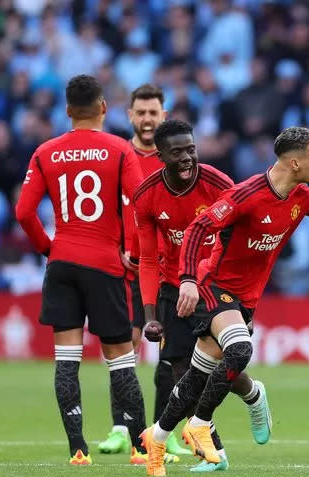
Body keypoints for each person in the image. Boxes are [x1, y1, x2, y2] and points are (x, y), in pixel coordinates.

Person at [140, 126, 309, 477]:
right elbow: (197, 229)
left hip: (247, 297)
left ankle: (156, 441)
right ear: (295, 163)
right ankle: (201, 423)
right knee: (240, 350)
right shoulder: (246, 194)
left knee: (195, 374)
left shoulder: (300, 195)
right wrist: (188, 280)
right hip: (213, 285)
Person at [15, 74, 148, 465]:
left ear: (68, 111)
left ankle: (77, 449)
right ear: (104, 108)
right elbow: (137, 208)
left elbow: (24, 212)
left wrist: (47, 247)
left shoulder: (46, 152)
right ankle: (142, 449)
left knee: (66, 359)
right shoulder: (120, 149)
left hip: (63, 262)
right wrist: (134, 255)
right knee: (121, 359)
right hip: (105, 264)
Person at [134, 119, 273, 472]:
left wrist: (198, 280)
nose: (186, 158)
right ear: (160, 154)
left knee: (219, 361)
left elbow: (237, 241)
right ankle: (216, 453)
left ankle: (253, 394)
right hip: (171, 288)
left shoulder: (218, 184)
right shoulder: (147, 195)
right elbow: (148, 258)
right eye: (177, 152)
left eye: (191, 149)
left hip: (213, 286)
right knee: (184, 371)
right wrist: (150, 313)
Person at [98, 83, 192, 457]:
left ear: (163, 116)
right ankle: (121, 427)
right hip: (122, 268)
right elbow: (103, 210)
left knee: (167, 354)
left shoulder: (173, 160)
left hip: (163, 271)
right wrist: (115, 248)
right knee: (124, 347)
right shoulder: (118, 156)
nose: (148, 119)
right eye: (141, 112)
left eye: (154, 112)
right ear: (130, 116)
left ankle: (162, 430)